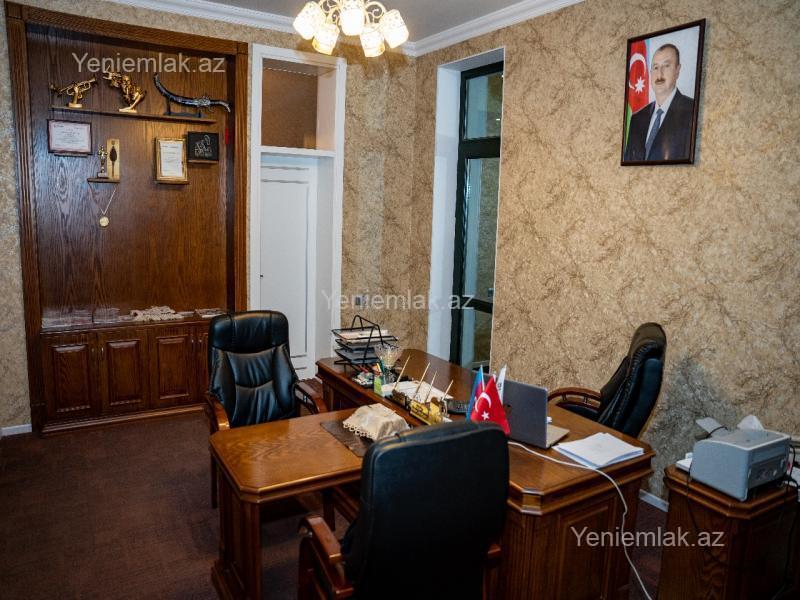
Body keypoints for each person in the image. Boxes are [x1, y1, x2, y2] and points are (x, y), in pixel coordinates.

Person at [624, 43, 694, 162]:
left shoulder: (691, 111)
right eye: (655, 67)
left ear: (677, 70)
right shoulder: (637, 119)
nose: (659, 74)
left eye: (666, 66)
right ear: (650, 72)